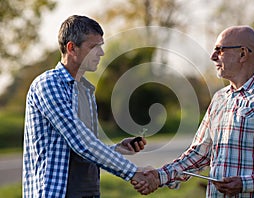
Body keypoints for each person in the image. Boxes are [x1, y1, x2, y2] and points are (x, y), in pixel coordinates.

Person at [133, 25, 254, 197]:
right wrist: (160, 176)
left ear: (243, 53)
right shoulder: (220, 98)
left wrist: (247, 184)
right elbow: (200, 152)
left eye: (220, 50)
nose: (213, 57)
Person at [22, 15, 157, 198]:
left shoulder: (86, 90)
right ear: (72, 48)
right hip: (57, 193)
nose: (101, 53)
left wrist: (117, 149)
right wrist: (133, 172)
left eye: (101, 46)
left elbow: (84, 149)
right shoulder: (48, 84)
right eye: (93, 47)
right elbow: (81, 141)